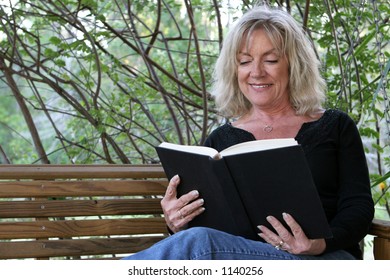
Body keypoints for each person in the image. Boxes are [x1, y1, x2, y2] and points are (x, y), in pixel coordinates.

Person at [122, 5, 374, 260]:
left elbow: (359, 208)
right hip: (247, 263)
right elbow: (211, 227)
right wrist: (177, 222)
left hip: (325, 260)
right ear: (234, 69)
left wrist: (318, 244)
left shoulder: (335, 126)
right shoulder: (219, 142)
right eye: (244, 61)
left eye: (271, 60)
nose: (256, 72)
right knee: (198, 241)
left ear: (294, 65)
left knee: (201, 244)